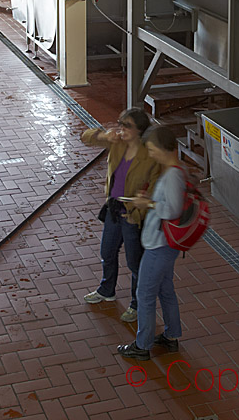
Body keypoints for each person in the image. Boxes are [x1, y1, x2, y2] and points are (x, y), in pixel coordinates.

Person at [80, 108, 159, 323]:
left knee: (135, 262)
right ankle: (107, 289)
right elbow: (85, 137)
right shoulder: (117, 143)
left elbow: (153, 188)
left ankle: (137, 303)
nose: (121, 129)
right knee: (107, 251)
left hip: (132, 214)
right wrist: (104, 135)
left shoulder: (149, 154)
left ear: (140, 130)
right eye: (120, 123)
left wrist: (137, 213)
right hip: (114, 208)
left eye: (127, 126)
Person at [117, 124, 184, 360]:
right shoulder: (170, 171)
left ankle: (142, 345)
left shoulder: (173, 175)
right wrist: (149, 199)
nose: (151, 153)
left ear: (166, 148)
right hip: (164, 244)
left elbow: (173, 210)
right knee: (165, 290)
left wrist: (150, 205)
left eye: (153, 149)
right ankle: (171, 336)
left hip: (160, 246)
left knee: (144, 294)